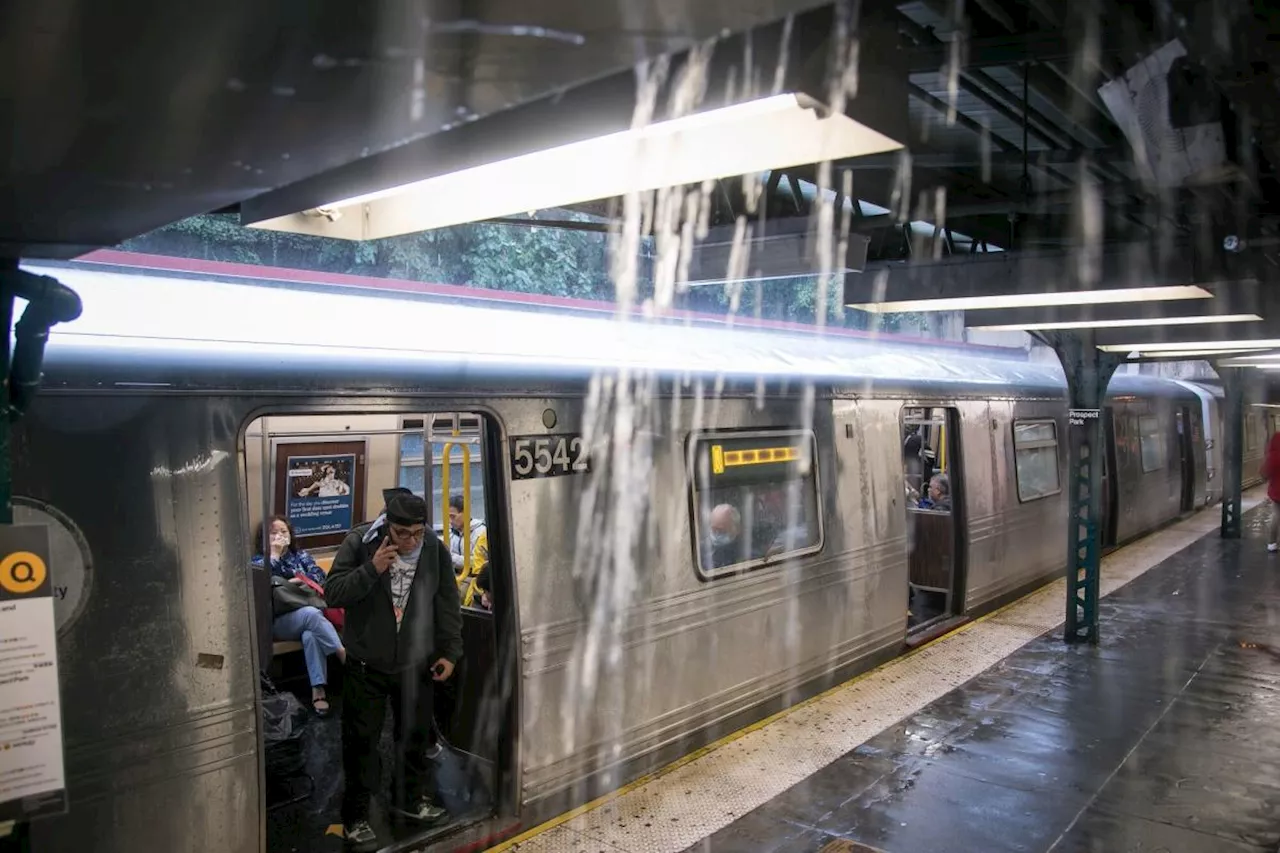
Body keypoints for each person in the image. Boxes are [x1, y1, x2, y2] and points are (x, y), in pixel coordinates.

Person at [324, 488, 463, 851]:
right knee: (361, 743)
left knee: (414, 737)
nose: (411, 541)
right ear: (387, 526)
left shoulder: (432, 549)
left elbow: (447, 603)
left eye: (418, 532)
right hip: (366, 663)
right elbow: (333, 593)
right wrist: (373, 569)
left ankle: (410, 800)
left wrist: (451, 651)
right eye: (404, 534)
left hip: (414, 662)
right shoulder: (360, 542)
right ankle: (355, 817)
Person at [253, 516, 345, 716]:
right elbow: (264, 581)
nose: (279, 536)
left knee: (310, 634)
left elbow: (320, 577)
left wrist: (293, 579)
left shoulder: (300, 556)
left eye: (284, 532)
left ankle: (318, 691)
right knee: (312, 615)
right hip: (279, 622)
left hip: (309, 616)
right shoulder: (259, 561)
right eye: (274, 532)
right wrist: (275, 555)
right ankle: (343, 655)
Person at [448, 494, 488, 580]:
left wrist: (450, 558)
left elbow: (476, 561)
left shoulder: (480, 532)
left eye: (453, 516)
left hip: (473, 578)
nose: (450, 521)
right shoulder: (452, 534)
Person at [707, 503, 743, 569]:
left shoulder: (746, 556)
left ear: (737, 529)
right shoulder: (700, 552)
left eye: (721, 531)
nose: (716, 535)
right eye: (714, 530)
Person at [1262, 431, 1280, 551]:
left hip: (1276, 492)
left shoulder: (1272, 457)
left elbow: (1263, 473)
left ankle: (1272, 543)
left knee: (1276, 516)